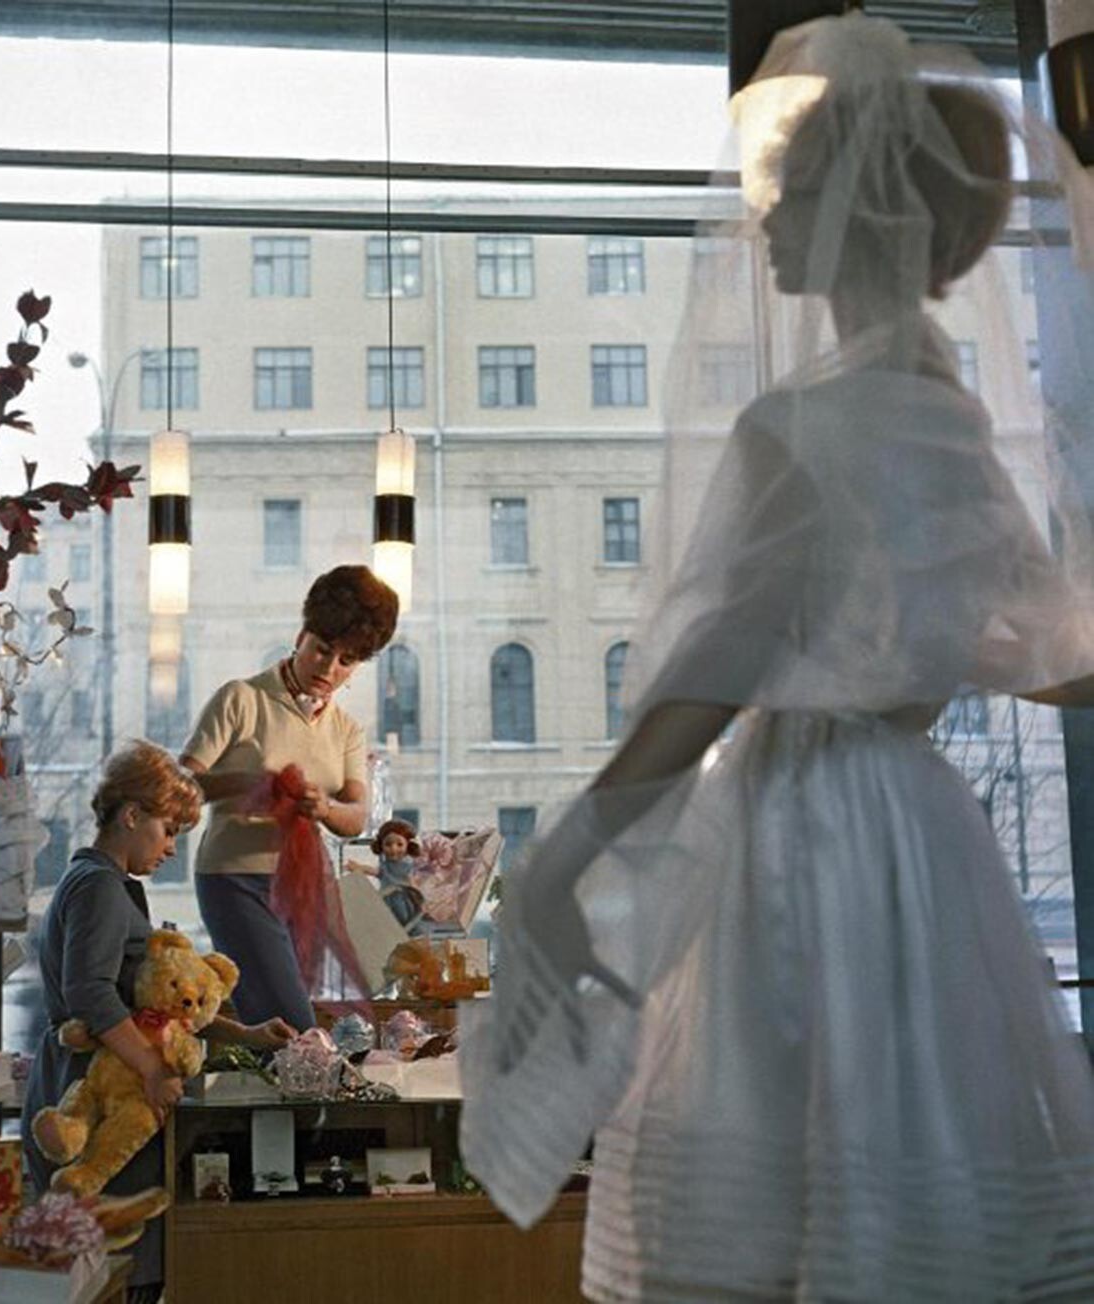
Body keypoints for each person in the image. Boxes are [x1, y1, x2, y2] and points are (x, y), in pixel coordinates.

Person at [461, 14, 1094, 1302]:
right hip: (919, 831)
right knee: (907, 1137)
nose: (764, 219)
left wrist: (564, 860)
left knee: (780, 1163)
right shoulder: (948, 419)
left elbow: (713, 671)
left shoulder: (803, 423)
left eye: (792, 190)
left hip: (803, 819)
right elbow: (1033, 647)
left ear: (862, 209)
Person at [22, 740, 293, 1303]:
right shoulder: (98, 887)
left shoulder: (103, 883)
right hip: (97, 1096)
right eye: (169, 830)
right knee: (112, 1269)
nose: (171, 847)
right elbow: (91, 992)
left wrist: (241, 1033)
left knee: (117, 1264)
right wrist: (150, 1069)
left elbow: (149, 1004)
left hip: (107, 1084)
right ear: (131, 815)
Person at [182, 564, 399, 1031]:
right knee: (291, 1020)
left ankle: (275, 1102)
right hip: (234, 880)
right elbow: (180, 786)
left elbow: (357, 818)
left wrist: (324, 809)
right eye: (322, 651)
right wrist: (246, 783)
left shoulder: (346, 730)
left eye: (347, 662)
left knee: (279, 1020)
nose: (330, 669)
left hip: (304, 889)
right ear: (302, 635)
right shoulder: (241, 699)